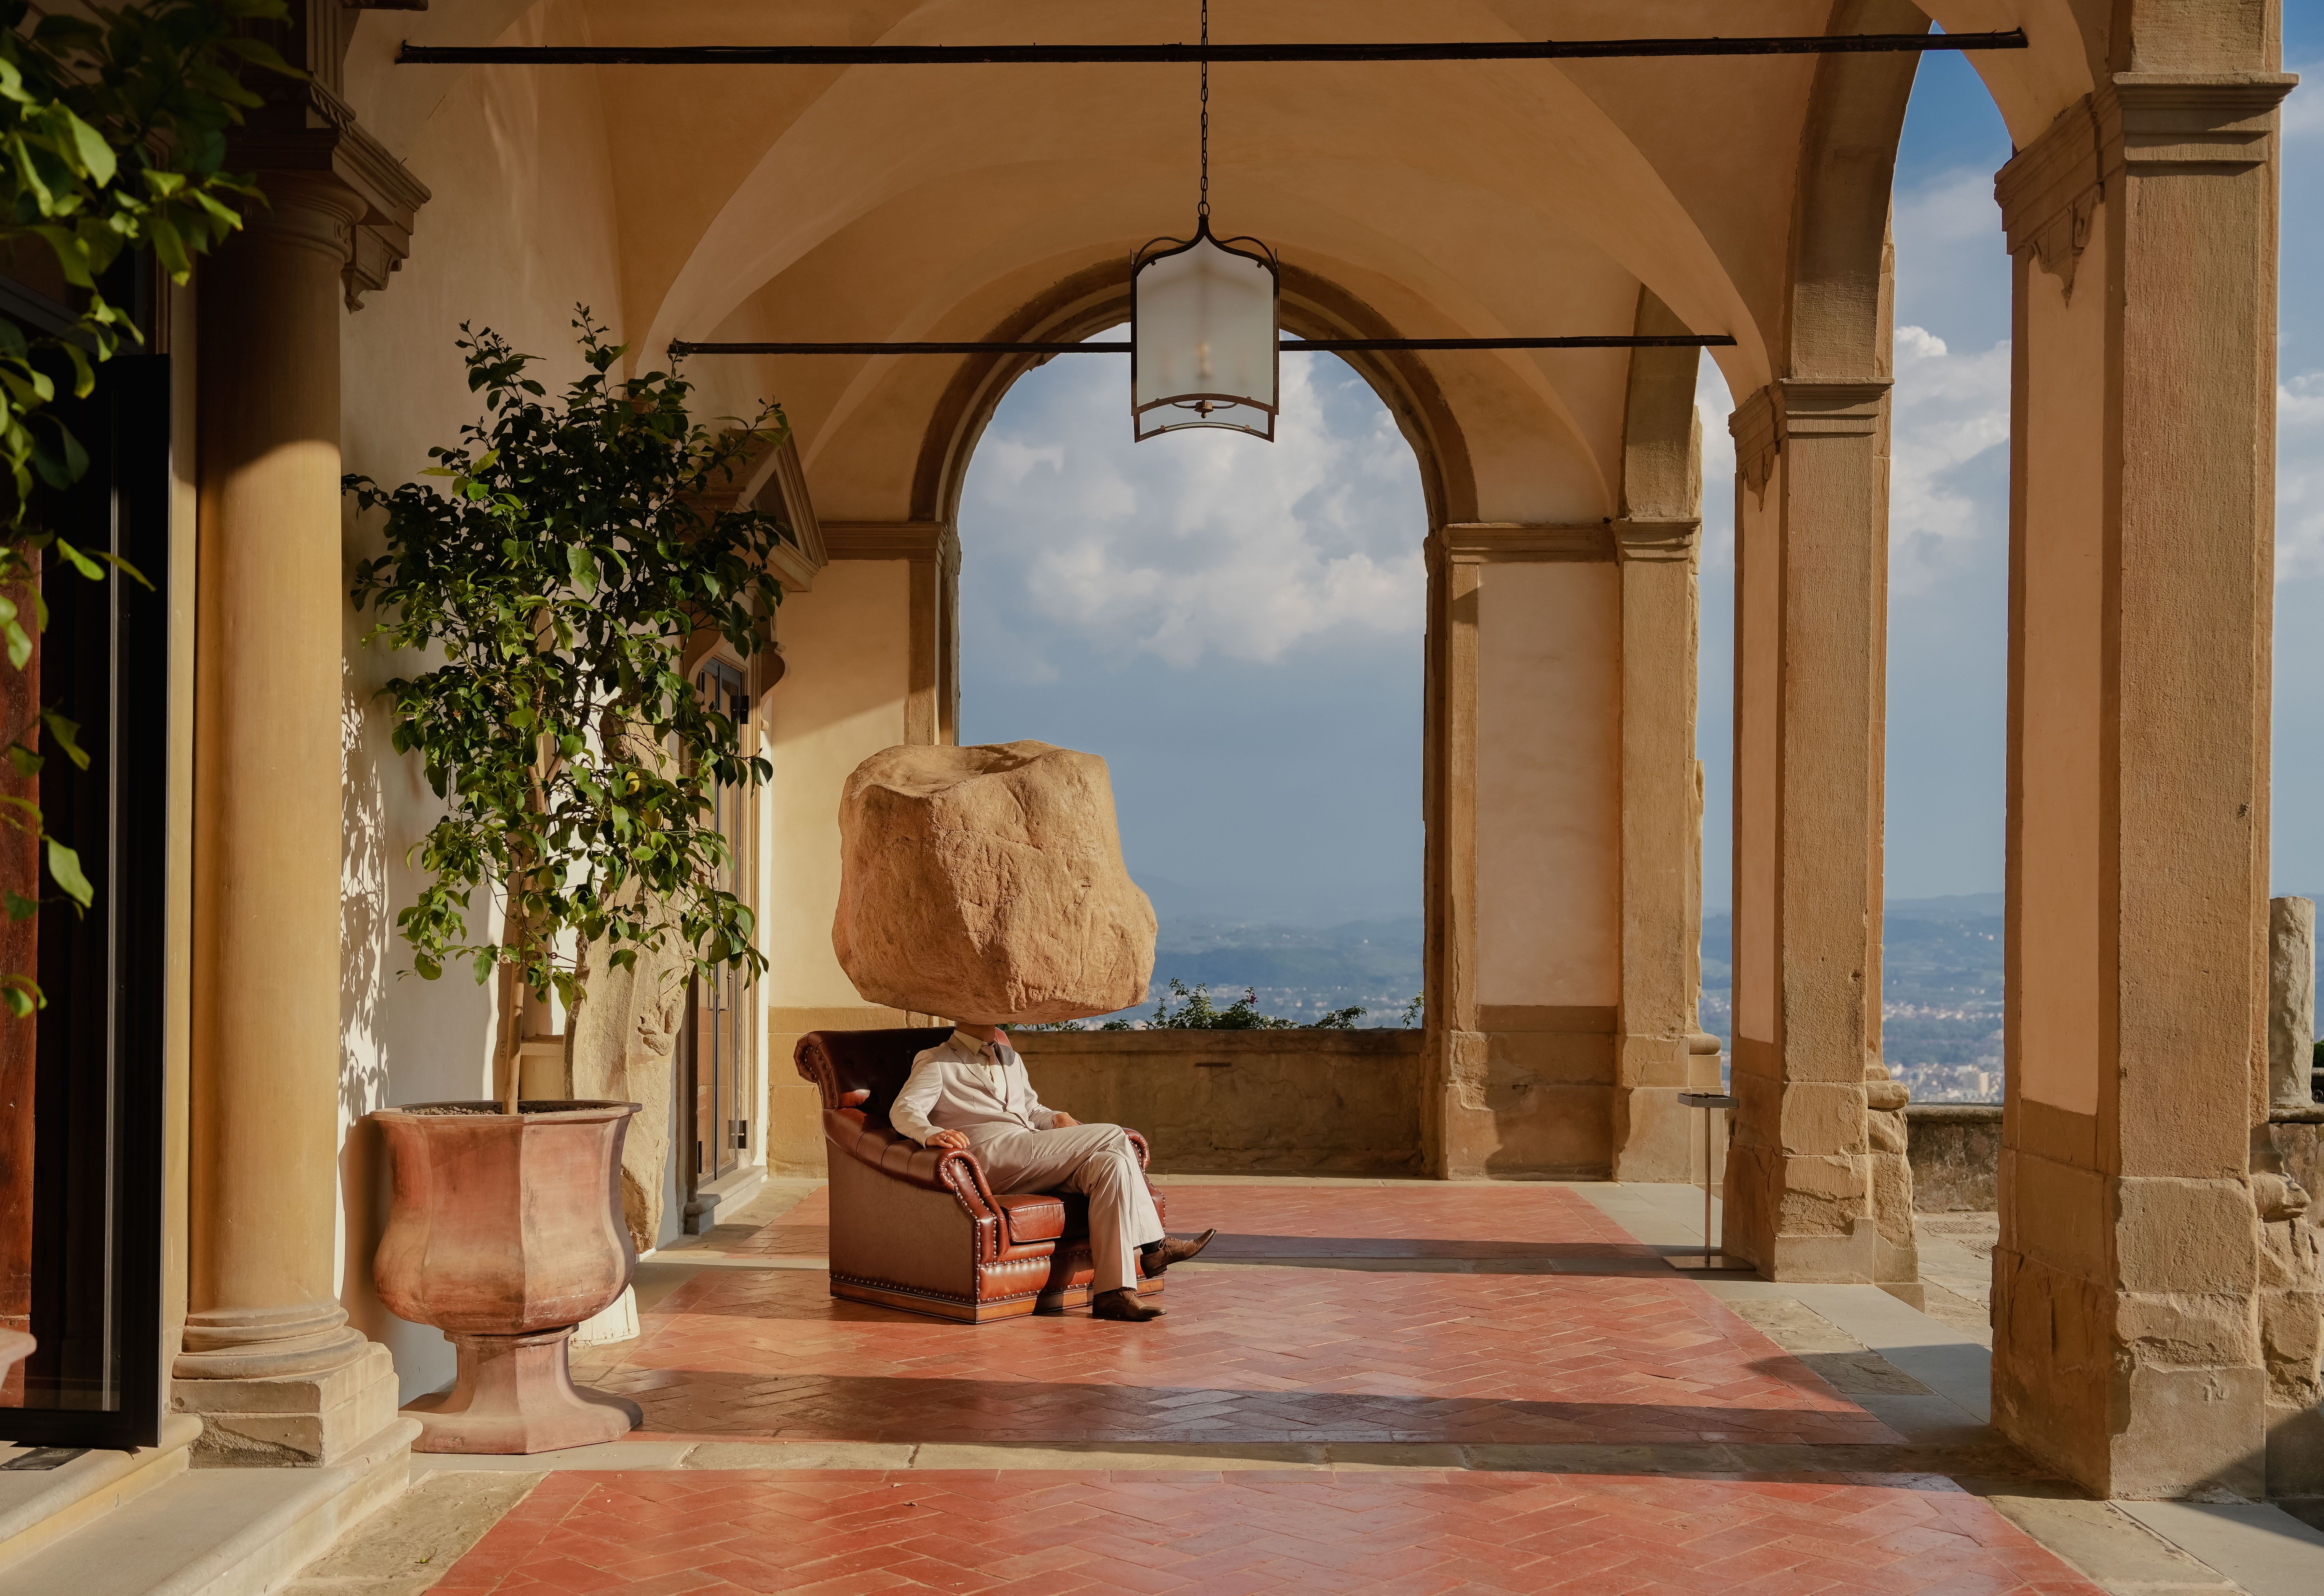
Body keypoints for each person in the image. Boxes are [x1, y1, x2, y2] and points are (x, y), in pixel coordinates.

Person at [890, 1023, 1215, 1321]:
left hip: (1029, 1149)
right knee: (1114, 1134)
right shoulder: (936, 1060)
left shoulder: (1010, 1057)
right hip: (988, 1157)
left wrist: (1056, 1117)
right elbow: (905, 1108)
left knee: (1111, 1165)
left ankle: (1114, 1294)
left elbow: (1030, 1109)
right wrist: (929, 1133)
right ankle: (1156, 1248)